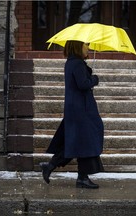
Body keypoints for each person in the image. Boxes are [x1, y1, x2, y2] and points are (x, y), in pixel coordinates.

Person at [40, 40, 104, 189]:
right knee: (86, 139)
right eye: (86, 44)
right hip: (81, 109)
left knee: (76, 141)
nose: (88, 47)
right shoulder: (77, 64)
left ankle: (52, 167)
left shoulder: (73, 63)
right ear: (77, 46)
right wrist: (94, 79)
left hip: (77, 108)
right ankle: (81, 178)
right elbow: (83, 84)